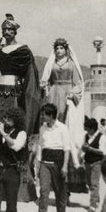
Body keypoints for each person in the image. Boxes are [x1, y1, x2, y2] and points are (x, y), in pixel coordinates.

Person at [40, 37, 84, 203]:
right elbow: (47, 81)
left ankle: (66, 189)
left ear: (66, 49)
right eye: (57, 48)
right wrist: (46, 88)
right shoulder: (51, 64)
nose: (59, 51)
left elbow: (78, 83)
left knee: (66, 127)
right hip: (53, 94)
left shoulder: (71, 65)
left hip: (66, 94)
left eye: (61, 48)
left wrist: (72, 94)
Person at [0, 13, 41, 137]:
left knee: (11, 123)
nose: (6, 32)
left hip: (13, 91)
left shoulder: (22, 50)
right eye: (4, 30)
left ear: (15, 32)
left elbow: (30, 74)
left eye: (9, 29)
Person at [33, 103, 71, 212]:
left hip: (58, 162)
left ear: (51, 115)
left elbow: (67, 149)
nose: (42, 116)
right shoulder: (42, 128)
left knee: (60, 192)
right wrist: (37, 163)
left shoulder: (63, 128)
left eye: (45, 114)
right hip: (45, 163)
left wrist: (65, 166)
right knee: (44, 191)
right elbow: (40, 146)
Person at [82, 117, 106, 212]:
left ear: (93, 129)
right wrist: (84, 149)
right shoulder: (86, 136)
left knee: (94, 183)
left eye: (88, 129)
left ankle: (93, 204)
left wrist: (90, 148)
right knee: (89, 182)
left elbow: (103, 152)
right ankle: (96, 199)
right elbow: (84, 148)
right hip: (87, 162)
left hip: (97, 162)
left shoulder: (102, 137)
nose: (87, 131)